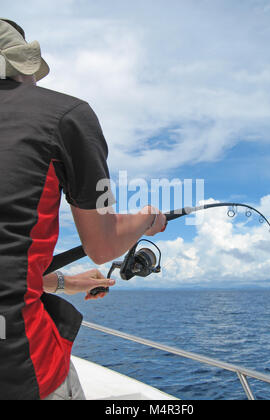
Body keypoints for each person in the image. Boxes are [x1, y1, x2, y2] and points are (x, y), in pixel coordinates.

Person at [0, 19, 167, 400]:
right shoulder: (67, 115)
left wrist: (67, 282)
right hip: (18, 366)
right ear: (22, 67)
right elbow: (103, 245)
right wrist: (146, 219)